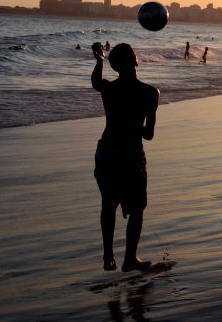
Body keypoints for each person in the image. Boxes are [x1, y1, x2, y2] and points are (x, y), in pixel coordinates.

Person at [91, 43, 159, 272]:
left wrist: (99, 60)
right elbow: (148, 135)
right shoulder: (150, 93)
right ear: (136, 61)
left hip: (108, 151)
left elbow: (95, 83)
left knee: (108, 204)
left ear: (115, 66)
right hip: (130, 154)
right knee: (137, 208)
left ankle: (108, 256)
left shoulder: (109, 90)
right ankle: (130, 258)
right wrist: (134, 124)